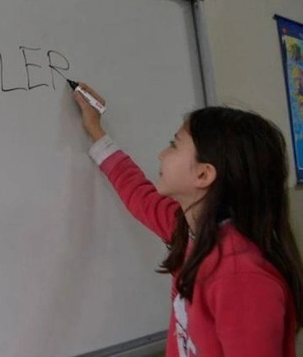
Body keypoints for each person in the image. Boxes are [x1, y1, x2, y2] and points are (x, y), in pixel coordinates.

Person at [71, 83, 303, 357]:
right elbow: (139, 195)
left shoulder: (241, 278)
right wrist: (95, 130)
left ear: (203, 175)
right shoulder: (191, 230)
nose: (161, 154)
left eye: (174, 145)